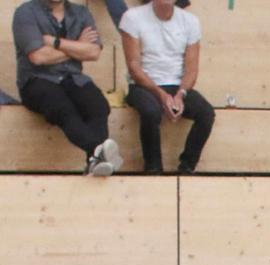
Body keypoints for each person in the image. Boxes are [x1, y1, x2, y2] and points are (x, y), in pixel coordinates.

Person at [12, 0, 122, 176]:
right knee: (62, 107)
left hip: (73, 78)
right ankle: (98, 152)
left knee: (98, 105)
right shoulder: (25, 12)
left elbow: (93, 52)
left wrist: (55, 43)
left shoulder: (81, 13)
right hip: (36, 80)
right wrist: (77, 45)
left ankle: (94, 164)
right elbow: (38, 57)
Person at [119, 0, 213, 174]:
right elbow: (134, 68)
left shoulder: (190, 21)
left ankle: (187, 166)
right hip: (143, 84)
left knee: (206, 113)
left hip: (177, 85)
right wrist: (161, 95)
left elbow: (192, 69)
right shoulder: (132, 17)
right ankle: (153, 167)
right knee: (150, 110)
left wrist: (181, 95)